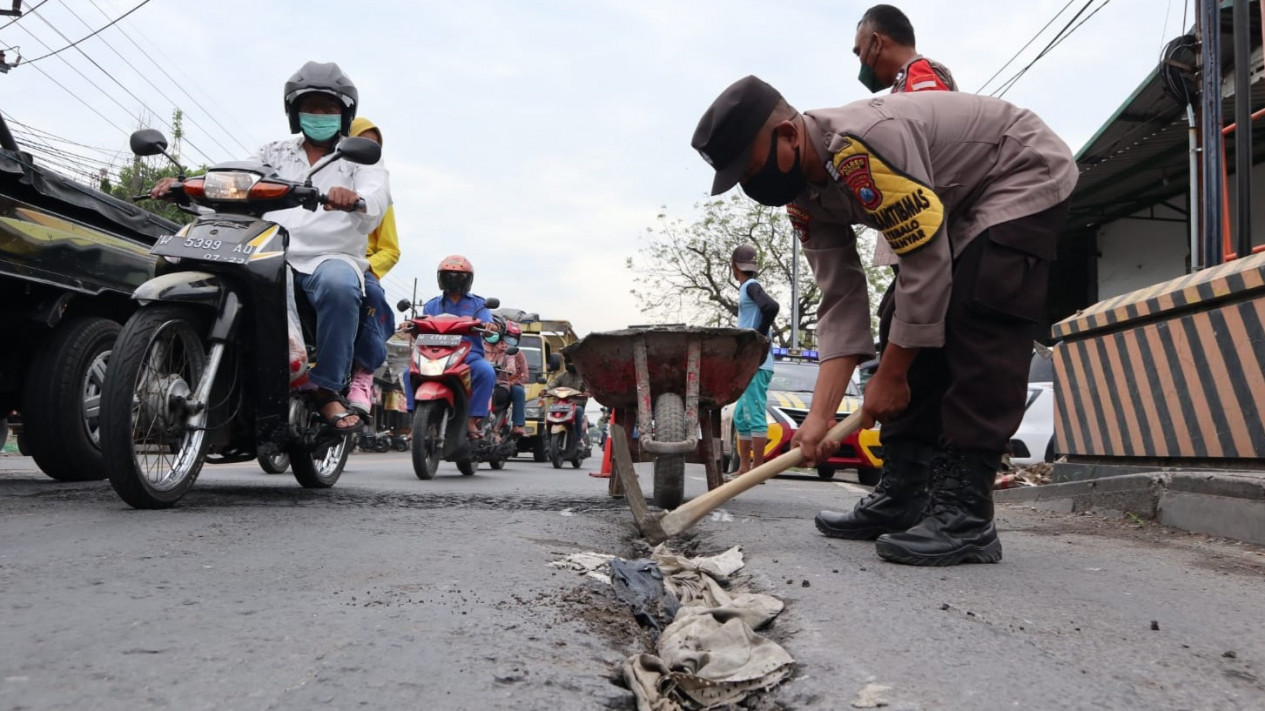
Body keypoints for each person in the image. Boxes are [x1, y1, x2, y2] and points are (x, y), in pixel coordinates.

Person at [691, 76, 1076, 566]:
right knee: (900, 314)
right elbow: (841, 296)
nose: (751, 184)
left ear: (788, 134)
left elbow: (927, 264)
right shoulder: (802, 197)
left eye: (751, 167)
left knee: (980, 307)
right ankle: (905, 492)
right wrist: (819, 416)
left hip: (1018, 169)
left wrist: (892, 375)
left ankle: (966, 513)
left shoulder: (862, 147)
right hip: (953, 204)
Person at [150, 61, 388, 434]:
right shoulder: (273, 152)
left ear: (345, 114)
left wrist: (354, 199)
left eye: (329, 108)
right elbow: (232, 180)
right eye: (311, 106)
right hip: (265, 252)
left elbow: (376, 199)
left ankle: (326, 390)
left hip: (328, 258)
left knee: (341, 287)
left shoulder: (355, 158)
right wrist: (183, 185)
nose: (319, 115)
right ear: (295, 112)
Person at [852, 4, 958, 272]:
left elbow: (933, 145)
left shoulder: (920, 74)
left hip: (925, 229)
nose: (860, 61)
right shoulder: (904, 83)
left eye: (859, 51)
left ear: (876, 43)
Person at [345, 116, 402, 415]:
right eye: (359, 143)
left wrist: (366, 267)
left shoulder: (381, 197)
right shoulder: (319, 179)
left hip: (358, 267)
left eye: (373, 147)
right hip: (309, 258)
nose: (366, 151)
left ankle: (364, 374)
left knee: (374, 298)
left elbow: (390, 250)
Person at [420, 254, 495, 439]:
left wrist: (489, 326)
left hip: (469, 355)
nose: (453, 280)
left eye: (459, 276)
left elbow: (488, 323)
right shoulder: (431, 305)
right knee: (408, 373)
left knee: (487, 372)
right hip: (435, 354)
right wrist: (409, 325)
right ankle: (416, 420)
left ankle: (472, 420)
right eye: (449, 275)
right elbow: (421, 327)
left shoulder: (479, 304)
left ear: (468, 279)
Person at [729, 244, 779, 477]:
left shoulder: (750, 286)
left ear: (733, 267)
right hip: (751, 361)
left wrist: (759, 336)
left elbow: (771, 307)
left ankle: (757, 470)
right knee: (741, 415)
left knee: (755, 413)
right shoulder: (749, 287)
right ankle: (744, 467)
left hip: (759, 362)